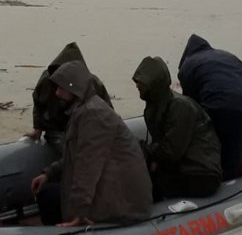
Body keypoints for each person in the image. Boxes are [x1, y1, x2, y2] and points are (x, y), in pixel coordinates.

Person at [31, 60, 152, 226]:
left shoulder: (93, 115)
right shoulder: (84, 111)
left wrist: (79, 212)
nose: (57, 93)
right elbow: (75, 155)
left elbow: (87, 166)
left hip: (120, 201)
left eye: (61, 88)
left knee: (48, 196)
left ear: (74, 88)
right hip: (110, 189)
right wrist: (49, 173)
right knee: (49, 192)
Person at [177, 33, 242, 179]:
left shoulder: (187, 66)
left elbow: (191, 105)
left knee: (226, 154)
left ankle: (226, 184)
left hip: (222, 107)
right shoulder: (227, 55)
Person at [132, 56, 222, 200]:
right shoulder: (154, 107)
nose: (137, 86)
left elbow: (170, 152)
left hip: (200, 173)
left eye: (140, 83)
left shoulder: (180, 107)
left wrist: (140, 148)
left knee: (143, 188)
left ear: (153, 84)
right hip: (180, 168)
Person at [24, 42, 112, 153]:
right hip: (56, 129)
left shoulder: (93, 84)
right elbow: (38, 102)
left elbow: (108, 112)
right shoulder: (47, 81)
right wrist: (37, 127)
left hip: (85, 130)